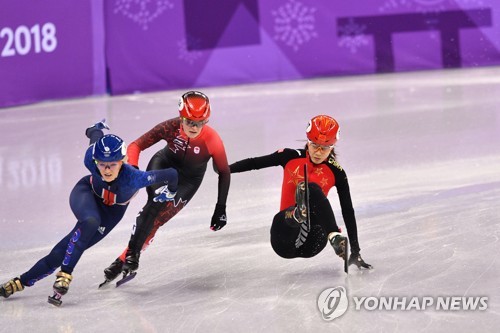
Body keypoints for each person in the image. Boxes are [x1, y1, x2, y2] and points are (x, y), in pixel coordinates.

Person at [0, 120, 178, 305]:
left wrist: (170, 192)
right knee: (90, 221)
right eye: (101, 164)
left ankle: (20, 281)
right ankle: (65, 275)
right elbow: (94, 138)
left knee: (62, 251)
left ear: (123, 161)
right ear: (95, 161)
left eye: (112, 165)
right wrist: (95, 129)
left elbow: (172, 174)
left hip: (111, 213)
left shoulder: (135, 179)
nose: (107, 170)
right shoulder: (89, 159)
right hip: (87, 193)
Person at [102, 91, 230, 282]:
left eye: (200, 122)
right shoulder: (170, 127)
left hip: (189, 180)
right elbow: (136, 145)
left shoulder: (212, 140)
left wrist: (221, 207)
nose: (194, 127)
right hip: (163, 166)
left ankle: (123, 260)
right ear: (181, 117)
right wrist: (134, 170)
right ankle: (132, 256)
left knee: (159, 219)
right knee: (154, 205)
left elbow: (224, 172)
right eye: (189, 122)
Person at [229, 115, 372, 269]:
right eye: (314, 146)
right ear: (307, 142)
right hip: (284, 238)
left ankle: (333, 236)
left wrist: (355, 251)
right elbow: (255, 163)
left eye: (324, 148)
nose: (318, 152)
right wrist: (226, 169)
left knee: (310, 189)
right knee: (298, 196)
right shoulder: (289, 156)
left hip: (313, 241)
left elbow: (348, 211)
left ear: (331, 147)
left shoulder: (337, 172)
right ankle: (296, 215)